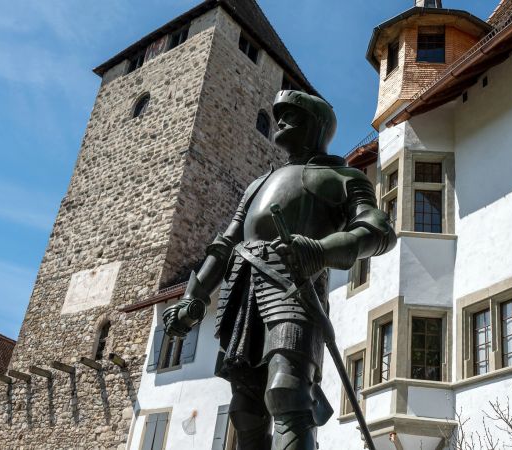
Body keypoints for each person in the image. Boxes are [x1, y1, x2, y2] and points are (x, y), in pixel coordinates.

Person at [163, 90, 396, 450]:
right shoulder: (257, 185)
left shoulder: (344, 177)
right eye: (280, 114)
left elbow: (378, 230)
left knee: (287, 392)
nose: (281, 121)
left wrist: (321, 251)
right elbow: (225, 244)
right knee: (245, 407)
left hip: (293, 290)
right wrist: (193, 298)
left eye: (293, 115)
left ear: (316, 126)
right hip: (242, 291)